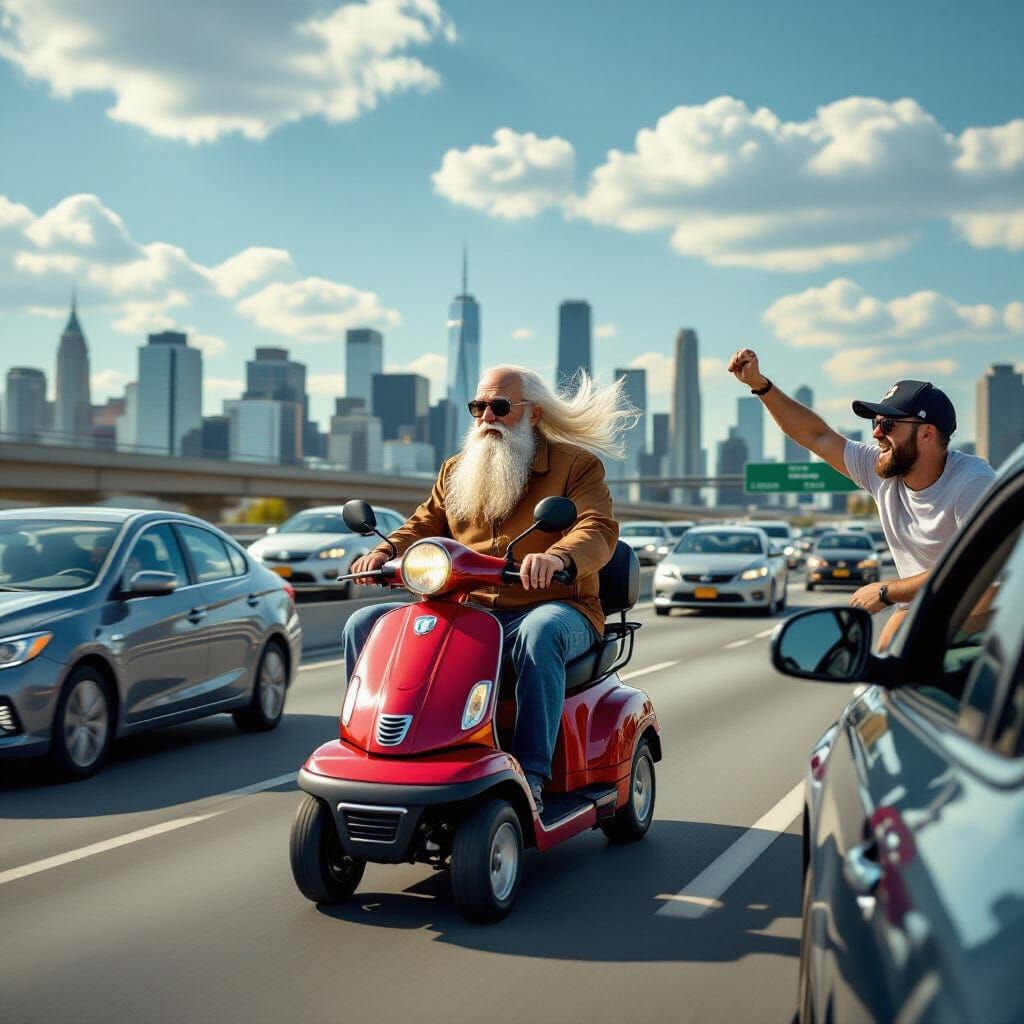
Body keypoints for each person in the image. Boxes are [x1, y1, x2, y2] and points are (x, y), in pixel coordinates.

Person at [344, 365, 635, 812]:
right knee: (365, 624)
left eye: (499, 407)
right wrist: (385, 553)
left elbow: (597, 528)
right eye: (478, 407)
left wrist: (558, 557)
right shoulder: (457, 469)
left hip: (554, 605)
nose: (486, 418)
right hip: (470, 611)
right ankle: (369, 750)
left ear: (533, 414)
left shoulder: (576, 466)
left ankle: (533, 776)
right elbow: (423, 523)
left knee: (541, 632)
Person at [727, 350, 995, 649]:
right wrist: (760, 385)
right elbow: (816, 436)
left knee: (898, 658)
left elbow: (979, 571)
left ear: (927, 434)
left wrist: (887, 592)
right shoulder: (881, 470)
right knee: (883, 663)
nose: (877, 433)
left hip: (992, 619)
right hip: (925, 608)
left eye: (889, 425)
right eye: (875, 423)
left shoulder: (972, 482)